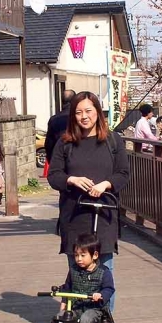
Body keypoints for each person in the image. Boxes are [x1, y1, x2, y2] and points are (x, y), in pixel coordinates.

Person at [47, 91, 129, 311]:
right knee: (77, 270)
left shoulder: (113, 141)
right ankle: (76, 320)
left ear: (98, 112)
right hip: (74, 215)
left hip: (104, 214)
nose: (84, 116)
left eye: (89, 111)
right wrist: (71, 179)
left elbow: (123, 173)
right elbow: (53, 175)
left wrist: (105, 184)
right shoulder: (65, 143)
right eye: (79, 112)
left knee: (104, 271)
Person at [31, 234, 115, 323]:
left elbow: (109, 289)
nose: (78, 259)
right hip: (75, 307)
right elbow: (68, 286)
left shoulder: (103, 272)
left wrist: (101, 295)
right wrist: (59, 290)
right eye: (76, 255)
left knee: (86, 318)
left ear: (95, 255)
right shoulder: (74, 270)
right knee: (59, 318)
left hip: (95, 309)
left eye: (83, 255)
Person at [44, 89, 75, 170]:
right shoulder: (79, 118)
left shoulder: (54, 119)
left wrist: (51, 160)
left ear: (62, 101)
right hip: (77, 158)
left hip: (59, 158)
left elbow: (49, 144)